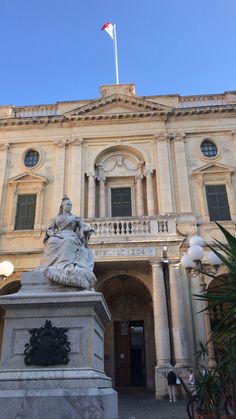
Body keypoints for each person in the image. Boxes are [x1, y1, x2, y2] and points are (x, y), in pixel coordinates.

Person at [41, 196, 96, 290]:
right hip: (58, 235)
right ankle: (56, 266)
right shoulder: (55, 218)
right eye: (67, 204)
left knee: (68, 241)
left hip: (71, 235)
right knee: (51, 241)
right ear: (62, 206)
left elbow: (83, 226)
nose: (69, 206)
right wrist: (53, 234)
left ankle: (65, 265)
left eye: (71, 204)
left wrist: (88, 229)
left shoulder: (75, 218)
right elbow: (50, 229)